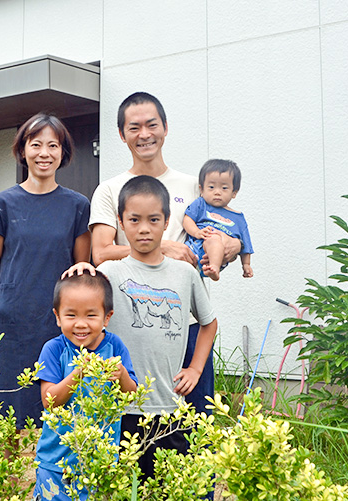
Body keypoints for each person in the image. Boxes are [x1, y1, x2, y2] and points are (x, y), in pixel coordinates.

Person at [89, 91, 238, 414]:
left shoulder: (193, 186)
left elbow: (225, 230)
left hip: (186, 324)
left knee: (195, 427)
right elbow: (100, 253)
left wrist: (234, 246)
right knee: (132, 421)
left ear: (165, 128)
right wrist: (164, 246)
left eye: (151, 125)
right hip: (132, 328)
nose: (144, 134)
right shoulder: (110, 190)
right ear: (121, 134)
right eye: (134, 127)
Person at [92, 175, 218, 480]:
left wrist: (196, 370)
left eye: (153, 219)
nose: (144, 228)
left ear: (167, 222)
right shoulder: (108, 271)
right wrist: (81, 270)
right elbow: (85, 308)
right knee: (120, 488)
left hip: (170, 409)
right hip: (118, 411)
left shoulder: (184, 273)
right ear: (121, 222)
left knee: (167, 487)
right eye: (134, 219)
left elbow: (209, 323)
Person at [0, 113, 91, 429]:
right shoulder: (1, 203)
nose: (44, 153)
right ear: (23, 149)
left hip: (58, 321)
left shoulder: (77, 205)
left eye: (53, 145)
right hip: (12, 322)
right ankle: (9, 474)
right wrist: (12, 298)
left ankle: (55, 472)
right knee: (7, 407)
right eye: (36, 144)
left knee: (59, 400)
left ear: (63, 152)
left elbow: (80, 269)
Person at [34, 272, 138, 501]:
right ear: (57, 316)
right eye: (71, 315)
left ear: (107, 317)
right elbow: (49, 401)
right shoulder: (53, 349)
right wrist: (78, 373)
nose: (81, 324)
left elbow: (131, 396)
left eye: (91, 315)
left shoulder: (115, 347)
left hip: (101, 462)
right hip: (56, 463)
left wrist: (121, 375)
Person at [184, 159, 254, 281]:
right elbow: (187, 219)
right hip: (194, 249)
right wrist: (197, 232)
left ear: (234, 193)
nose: (217, 192)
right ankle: (213, 268)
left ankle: (214, 269)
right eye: (211, 187)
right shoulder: (201, 204)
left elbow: (246, 244)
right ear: (201, 189)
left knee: (215, 238)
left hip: (221, 257)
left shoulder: (238, 217)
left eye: (224, 188)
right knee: (213, 237)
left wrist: (246, 265)